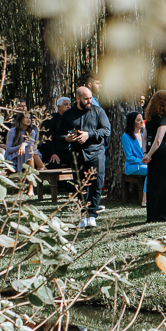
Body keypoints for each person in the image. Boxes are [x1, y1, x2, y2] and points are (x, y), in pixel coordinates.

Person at [62, 86, 111, 228]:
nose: (89, 101)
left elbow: (106, 130)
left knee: (96, 183)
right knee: (80, 184)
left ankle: (92, 214)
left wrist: (88, 134)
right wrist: (67, 138)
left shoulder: (98, 111)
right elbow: (58, 134)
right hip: (77, 153)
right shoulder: (68, 115)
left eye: (90, 98)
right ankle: (83, 215)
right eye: (86, 99)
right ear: (78, 99)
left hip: (96, 152)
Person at [141, 91, 166, 222]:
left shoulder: (149, 117)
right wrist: (149, 154)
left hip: (152, 153)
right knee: (164, 184)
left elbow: (145, 137)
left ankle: (152, 215)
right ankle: (163, 215)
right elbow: (159, 139)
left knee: (153, 184)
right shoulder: (164, 117)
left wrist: (145, 153)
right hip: (163, 153)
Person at [5, 112, 45, 194]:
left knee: (30, 150)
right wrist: (20, 146)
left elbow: (31, 143)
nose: (28, 120)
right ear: (20, 119)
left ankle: (31, 187)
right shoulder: (13, 131)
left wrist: (24, 144)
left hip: (29, 155)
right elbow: (8, 150)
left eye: (30, 118)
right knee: (30, 151)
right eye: (26, 118)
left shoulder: (32, 131)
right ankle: (43, 171)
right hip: (14, 156)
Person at [122, 111, 148, 205]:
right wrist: (142, 161)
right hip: (133, 166)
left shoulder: (144, 135)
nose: (141, 122)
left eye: (142, 119)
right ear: (132, 122)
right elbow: (129, 157)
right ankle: (145, 199)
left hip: (145, 163)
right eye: (138, 120)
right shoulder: (126, 137)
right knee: (151, 170)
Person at [43, 97, 73, 171]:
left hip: (69, 152)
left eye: (70, 105)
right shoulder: (51, 119)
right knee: (54, 163)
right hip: (55, 152)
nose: (68, 106)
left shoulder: (73, 119)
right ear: (59, 106)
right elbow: (47, 138)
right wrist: (52, 153)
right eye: (66, 104)